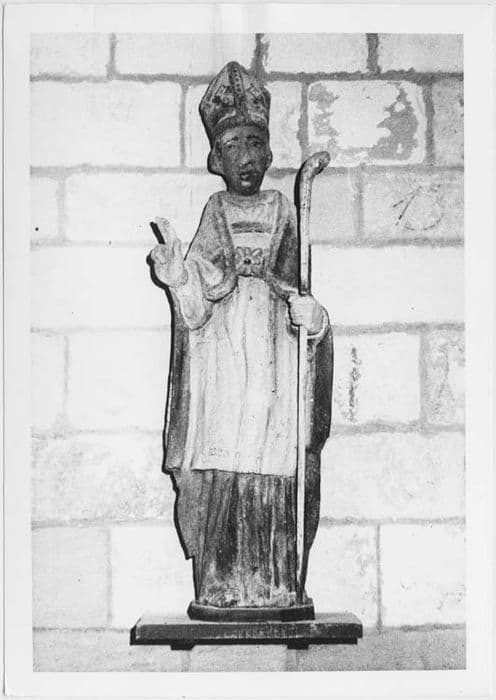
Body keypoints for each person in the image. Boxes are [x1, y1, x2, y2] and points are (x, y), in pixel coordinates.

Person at [149, 62, 333, 620]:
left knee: (277, 463)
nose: (246, 156)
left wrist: (314, 319)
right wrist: (178, 276)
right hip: (223, 371)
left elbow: (302, 290)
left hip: (275, 363)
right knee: (224, 465)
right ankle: (221, 585)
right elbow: (196, 309)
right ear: (216, 159)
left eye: (255, 142)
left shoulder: (283, 210)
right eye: (233, 145)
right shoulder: (215, 212)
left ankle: (279, 584)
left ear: (269, 152)